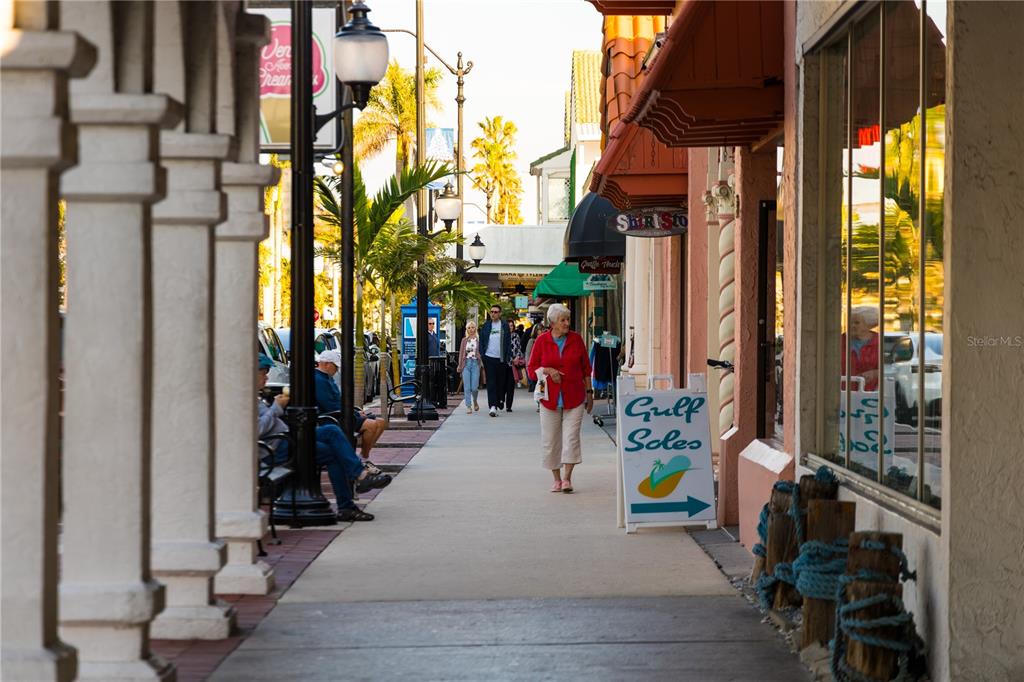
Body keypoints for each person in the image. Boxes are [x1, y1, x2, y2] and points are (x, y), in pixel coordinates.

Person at [257, 353, 390, 522]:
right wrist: (276, 407)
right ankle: (352, 492)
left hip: (286, 439)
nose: (267, 377)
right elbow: (258, 429)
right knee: (334, 449)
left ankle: (356, 485)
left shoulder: (258, 396)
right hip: (277, 448)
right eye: (263, 373)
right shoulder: (247, 400)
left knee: (332, 431)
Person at [527, 304, 593, 493]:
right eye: (562, 320)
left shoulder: (576, 339)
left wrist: (589, 393)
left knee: (571, 438)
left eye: (567, 319)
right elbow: (531, 371)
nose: (566, 323)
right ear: (553, 322)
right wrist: (548, 370)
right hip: (549, 398)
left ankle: (567, 479)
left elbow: (586, 369)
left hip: (575, 397)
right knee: (550, 440)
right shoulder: (541, 341)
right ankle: (556, 479)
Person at [314, 350, 387, 464]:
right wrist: (355, 414)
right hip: (334, 418)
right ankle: (362, 459)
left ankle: (363, 456)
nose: (336, 370)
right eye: (335, 366)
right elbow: (330, 406)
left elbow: (338, 402)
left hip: (342, 414)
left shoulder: (327, 378)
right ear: (326, 364)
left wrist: (354, 411)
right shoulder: (319, 380)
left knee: (381, 422)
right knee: (371, 425)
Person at [479, 304, 511, 417]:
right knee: (491, 382)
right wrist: (483, 356)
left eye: (496, 312)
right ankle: (492, 406)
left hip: (501, 359)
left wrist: (508, 358)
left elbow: (508, 343)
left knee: (500, 383)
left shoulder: (504, 326)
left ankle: (500, 400)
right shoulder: (486, 326)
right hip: (489, 357)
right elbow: (482, 341)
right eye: (492, 312)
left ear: (500, 314)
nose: (493, 314)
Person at [842, 305, 880, 391]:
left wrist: (875, 373)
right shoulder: (839, 341)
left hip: (871, 394)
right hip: (843, 393)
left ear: (869, 324)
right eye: (850, 322)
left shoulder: (879, 342)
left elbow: (889, 368)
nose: (851, 325)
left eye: (856, 323)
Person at [457, 320, 484, 414]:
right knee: (467, 387)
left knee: (474, 388)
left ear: (475, 328)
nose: (471, 329)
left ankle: (475, 401)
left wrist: (480, 357)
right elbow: (461, 354)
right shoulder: (464, 340)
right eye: (469, 328)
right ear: (467, 329)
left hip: (475, 364)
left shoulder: (479, 339)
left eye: (472, 327)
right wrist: (460, 366)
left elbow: (482, 352)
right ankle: (468, 406)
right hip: (466, 364)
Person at [505, 320, 524, 411]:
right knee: (502, 385)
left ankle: (509, 406)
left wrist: (517, 357)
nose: (510, 327)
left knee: (510, 386)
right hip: (504, 364)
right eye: (508, 326)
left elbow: (519, 348)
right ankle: (501, 400)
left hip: (513, 364)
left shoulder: (516, 336)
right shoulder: (503, 336)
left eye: (511, 326)